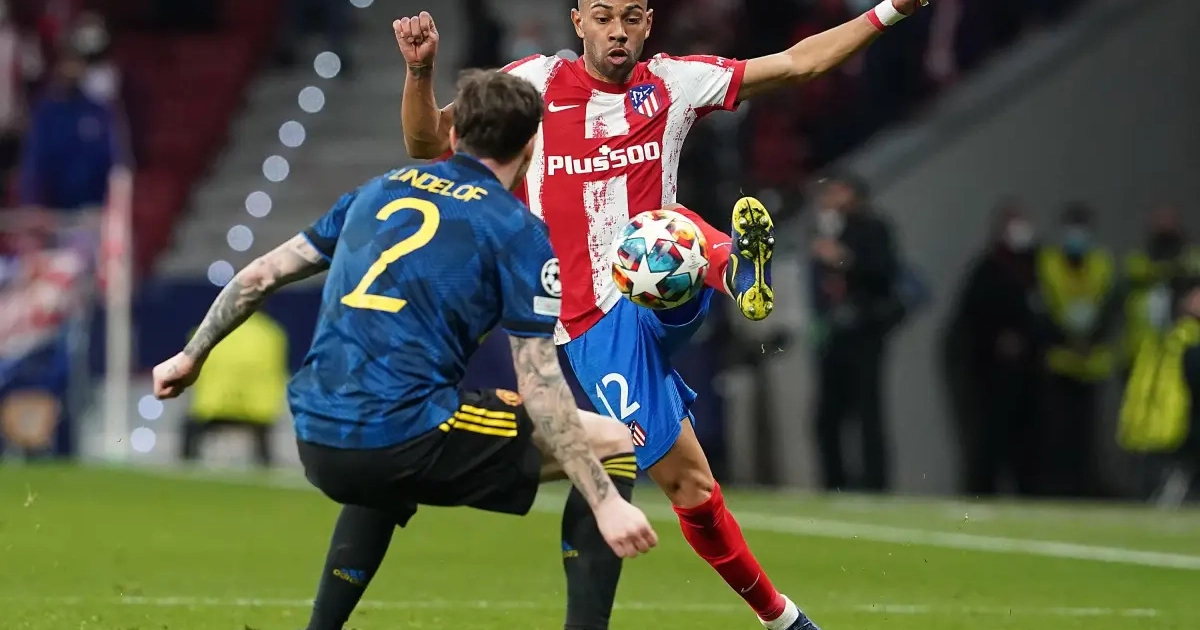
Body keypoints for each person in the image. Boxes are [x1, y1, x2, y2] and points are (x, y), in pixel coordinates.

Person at [396, 2, 931, 629]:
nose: (617, 31)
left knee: (664, 230)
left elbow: (795, 64)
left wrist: (892, 9)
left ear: (648, 23)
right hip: (592, 325)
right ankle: (782, 618)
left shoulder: (673, 82)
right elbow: (427, 143)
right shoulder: (532, 84)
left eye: (630, 17)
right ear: (578, 22)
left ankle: (735, 270)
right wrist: (420, 70)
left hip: (658, 284)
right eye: (602, 17)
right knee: (691, 488)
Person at [150, 70, 657, 630]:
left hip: (316, 431)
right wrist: (606, 501)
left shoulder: (379, 190)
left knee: (389, 441)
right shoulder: (518, 232)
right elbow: (539, 383)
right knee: (610, 442)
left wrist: (190, 356)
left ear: (454, 133)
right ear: (532, 145)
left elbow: (260, 275)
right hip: (402, 437)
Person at [808, 173, 901, 492]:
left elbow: (883, 272)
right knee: (828, 414)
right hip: (833, 333)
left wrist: (843, 259)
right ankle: (834, 484)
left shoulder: (873, 229)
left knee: (868, 410)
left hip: (865, 332)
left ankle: (876, 484)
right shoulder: (826, 231)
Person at [950, 201, 1043, 495]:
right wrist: (996, 340)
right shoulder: (988, 268)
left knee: (1029, 441)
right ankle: (983, 493)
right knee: (989, 439)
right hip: (992, 374)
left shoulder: (1037, 266)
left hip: (1030, 372)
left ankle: (1030, 493)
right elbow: (972, 316)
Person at [1036, 203, 1118, 497]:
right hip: (1059, 360)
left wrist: (1091, 339)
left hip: (1091, 362)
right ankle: (1058, 488)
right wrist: (1065, 338)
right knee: (1057, 432)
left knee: (1087, 433)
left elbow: (1110, 307)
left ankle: (1084, 488)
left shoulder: (1102, 263)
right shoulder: (1048, 263)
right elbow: (1043, 307)